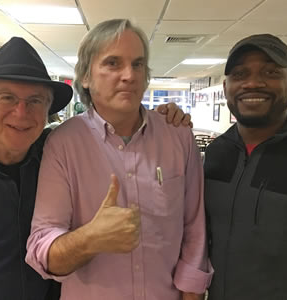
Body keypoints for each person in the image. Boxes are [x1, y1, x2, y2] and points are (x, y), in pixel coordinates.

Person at [0, 36, 190, 300]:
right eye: (7, 97)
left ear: (48, 110)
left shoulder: (57, 159)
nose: (21, 112)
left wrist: (161, 119)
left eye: (36, 101)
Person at [26, 19, 212, 300]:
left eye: (137, 64)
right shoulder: (63, 143)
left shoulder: (177, 136)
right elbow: (41, 249)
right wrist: (91, 238)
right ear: (86, 77)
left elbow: (194, 229)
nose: (129, 75)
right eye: (113, 63)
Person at [204, 34, 287, 300]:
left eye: (270, 72)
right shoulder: (215, 154)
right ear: (226, 89)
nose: (253, 83)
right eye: (240, 73)